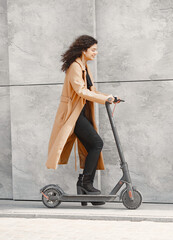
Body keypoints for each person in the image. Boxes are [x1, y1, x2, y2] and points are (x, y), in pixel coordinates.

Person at [46, 35, 120, 204]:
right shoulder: (75, 67)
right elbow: (80, 91)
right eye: (93, 49)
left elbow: (91, 90)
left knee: (93, 146)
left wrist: (109, 97)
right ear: (84, 50)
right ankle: (85, 184)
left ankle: (85, 186)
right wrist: (104, 99)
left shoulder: (84, 66)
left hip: (80, 113)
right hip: (73, 114)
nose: (96, 52)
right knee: (97, 143)